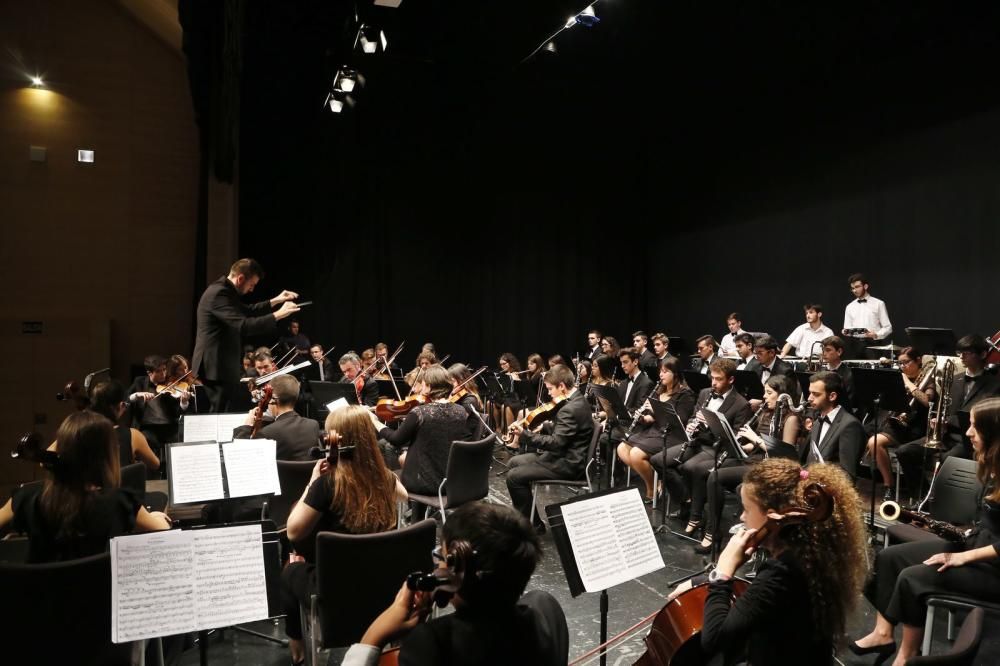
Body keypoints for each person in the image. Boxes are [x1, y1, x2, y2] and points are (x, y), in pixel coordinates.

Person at [668, 458, 868, 666]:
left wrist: (722, 572)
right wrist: (701, 581)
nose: (742, 517)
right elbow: (760, 596)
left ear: (773, 518)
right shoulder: (810, 549)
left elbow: (714, 640)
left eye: (746, 509)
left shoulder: (782, 570)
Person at [853, 397, 1000, 666]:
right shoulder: (993, 466)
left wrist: (962, 557)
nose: (968, 434)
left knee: (913, 578)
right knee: (889, 558)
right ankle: (883, 634)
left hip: (994, 568)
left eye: (975, 428)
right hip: (978, 547)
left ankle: (906, 656)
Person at [340, 504, 568, 666]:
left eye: (442, 556)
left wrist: (373, 637)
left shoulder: (432, 643)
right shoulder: (545, 613)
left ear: (458, 568)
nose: (438, 564)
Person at [280, 405, 406, 664]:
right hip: (383, 583)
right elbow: (403, 495)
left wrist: (312, 482)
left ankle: (297, 644)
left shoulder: (327, 485)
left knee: (290, 569)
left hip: (336, 592)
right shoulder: (385, 478)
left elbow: (293, 530)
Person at [0, 411, 171, 563]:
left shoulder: (27, 497)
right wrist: (156, 517)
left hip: (36, 596)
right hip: (96, 597)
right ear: (107, 455)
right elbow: (163, 529)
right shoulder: (119, 502)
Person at [699, 375, 803, 554]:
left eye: (769, 393)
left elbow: (785, 456)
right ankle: (711, 527)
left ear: (782, 395)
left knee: (718, 478)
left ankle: (717, 531)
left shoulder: (790, 418)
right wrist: (739, 445)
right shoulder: (766, 412)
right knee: (712, 472)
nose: (764, 397)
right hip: (755, 460)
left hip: (771, 467)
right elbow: (753, 444)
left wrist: (755, 439)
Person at [651, 358, 752, 535]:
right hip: (697, 441)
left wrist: (710, 424)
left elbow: (736, 438)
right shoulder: (705, 393)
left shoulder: (741, 404)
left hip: (717, 448)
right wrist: (692, 424)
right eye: (712, 378)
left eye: (719, 379)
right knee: (658, 460)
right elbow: (692, 416)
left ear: (731, 380)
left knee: (689, 467)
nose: (714, 383)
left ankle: (695, 515)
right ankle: (687, 501)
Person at [895, 335, 1000, 501]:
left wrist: (948, 420)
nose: (961, 356)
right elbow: (944, 406)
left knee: (947, 459)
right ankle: (922, 497)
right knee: (904, 451)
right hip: (944, 435)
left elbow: (989, 418)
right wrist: (936, 419)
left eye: (968, 353)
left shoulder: (995, 384)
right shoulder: (954, 380)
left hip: (968, 440)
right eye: (960, 352)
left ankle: (942, 502)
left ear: (982, 354)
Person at [192, 258, 300, 412]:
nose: (252, 290)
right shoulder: (218, 293)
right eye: (252, 285)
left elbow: (247, 310)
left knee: (224, 411)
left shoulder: (226, 291)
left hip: (221, 364)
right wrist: (278, 315)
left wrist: (276, 300)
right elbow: (243, 326)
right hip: (215, 365)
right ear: (241, 278)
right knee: (218, 414)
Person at [506, 364, 595, 533]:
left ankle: (532, 526)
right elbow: (568, 432)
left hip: (568, 464)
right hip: (566, 455)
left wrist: (525, 435)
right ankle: (530, 518)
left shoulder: (569, 409)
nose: (548, 393)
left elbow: (556, 443)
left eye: (550, 389)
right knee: (513, 462)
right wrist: (546, 427)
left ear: (562, 386)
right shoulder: (578, 399)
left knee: (513, 477)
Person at [377, 366, 479, 496]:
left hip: (423, 484)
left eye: (423, 384)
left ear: (429, 387)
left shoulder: (420, 412)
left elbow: (396, 439)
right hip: (452, 482)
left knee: (389, 457)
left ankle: (406, 505)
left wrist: (377, 423)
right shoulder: (461, 411)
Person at [616, 357, 696, 502]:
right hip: (655, 431)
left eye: (665, 372)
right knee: (621, 448)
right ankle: (656, 479)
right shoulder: (659, 390)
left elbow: (680, 421)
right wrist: (642, 417)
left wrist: (656, 410)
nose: (661, 375)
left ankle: (651, 488)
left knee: (635, 454)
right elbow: (651, 419)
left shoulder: (685, 394)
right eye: (660, 371)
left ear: (676, 374)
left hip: (672, 435)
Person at [864, 346, 934, 500]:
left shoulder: (928, 379)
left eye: (906, 362)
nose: (903, 366)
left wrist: (908, 383)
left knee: (875, 441)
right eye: (900, 363)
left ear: (918, 360)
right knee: (874, 441)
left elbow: (927, 401)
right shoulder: (898, 378)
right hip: (897, 424)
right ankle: (888, 486)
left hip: (916, 426)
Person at [232, 374, 319, 460]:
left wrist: (247, 426)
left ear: (273, 399)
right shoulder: (313, 425)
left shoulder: (267, 433)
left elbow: (241, 457)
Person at [801, 371, 865, 481]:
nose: (809, 398)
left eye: (815, 394)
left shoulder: (850, 425)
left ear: (832, 396)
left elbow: (847, 475)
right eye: (810, 393)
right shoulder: (817, 422)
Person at [89, 380, 160, 473]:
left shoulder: (82, 431)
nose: (125, 408)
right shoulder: (134, 435)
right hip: (121, 487)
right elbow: (155, 464)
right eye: (125, 405)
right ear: (120, 405)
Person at [127, 354, 186, 458]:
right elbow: (125, 400)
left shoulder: (170, 385)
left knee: (179, 441)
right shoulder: (139, 382)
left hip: (169, 427)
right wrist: (136, 395)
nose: (163, 374)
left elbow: (178, 412)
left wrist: (184, 403)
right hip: (148, 427)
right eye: (159, 371)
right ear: (149, 373)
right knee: (147, 439)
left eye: (164, 370)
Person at [609, 347, 655, 443]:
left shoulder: (646, 383)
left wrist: (623, 413)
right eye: (621, 363)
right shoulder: (623, 383)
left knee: (607, 437)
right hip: (621, 422)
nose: (622, 366)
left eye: (625, 362)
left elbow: (640, 407)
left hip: (635, 425)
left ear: (635, 362)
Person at [842, 272, 893, 358]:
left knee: (873, 370)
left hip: (873, 344)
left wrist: (876, 334)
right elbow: (847, 327)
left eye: (857, 287)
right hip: (855, 344)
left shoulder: (878, 303)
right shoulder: (849, 306)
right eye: (852, 288)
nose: (854, 290)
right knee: (855, 370)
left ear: (865, 286)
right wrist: (845, 331)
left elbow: (888, 327)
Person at [820, 335, 857, 412]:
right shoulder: (821, 371)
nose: (824, 353)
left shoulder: (848, 374)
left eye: (828, 350)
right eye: (823, 350)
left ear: (839, 352)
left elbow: (848, 402)